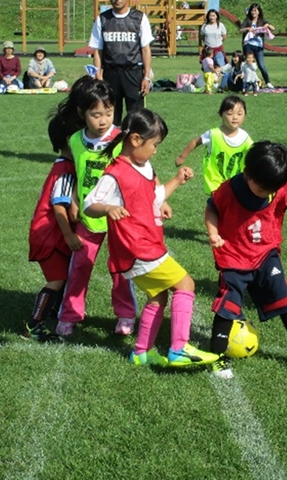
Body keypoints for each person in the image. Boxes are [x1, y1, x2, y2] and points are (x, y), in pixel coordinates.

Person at [84, 108, 219, 367]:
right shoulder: (117, 173)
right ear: (135, 139)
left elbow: (154, 197)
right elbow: (91, 202)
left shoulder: (142, 165)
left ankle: (141, 353)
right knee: (186, 285)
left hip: (145, 245)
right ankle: (179, 348)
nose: (156, 150)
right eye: (155, 144)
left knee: (158, 297)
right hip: (139, 248)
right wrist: (109, 208)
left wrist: (177, 180)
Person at [205, 141, 287, 379]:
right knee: (227, 307)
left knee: (286, 300)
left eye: (270, 190)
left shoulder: (279, 189)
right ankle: (218, 358)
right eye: (262, 188)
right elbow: (211, 208)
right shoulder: (229, 189)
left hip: (266, 254)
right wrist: (213, 233)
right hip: (234, 257)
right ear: (247, 173)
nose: (266, 193)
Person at [56, 77, 138, 337]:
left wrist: (161, 199)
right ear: (82, 113)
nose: (103, 120)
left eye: (109, 113)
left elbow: (140, 170)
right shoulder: (75, 142)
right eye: (96, 114)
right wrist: (74, 201)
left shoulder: (121, 139)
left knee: (120, 269)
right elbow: (78, 174)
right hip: (88, 219)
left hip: (118, 217)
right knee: (79, 267)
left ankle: (126, 315)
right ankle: (70, 314)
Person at [26, 116, 82, 342]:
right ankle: (34, 324)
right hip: (48, 234)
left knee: (65, 276)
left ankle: (55, 312)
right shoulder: (65, 169)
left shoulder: (67, 165)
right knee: (57, 279)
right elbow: (59, 206)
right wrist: (69, 234)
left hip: (53, 234)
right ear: (71, 141)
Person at [88, 0, 154, 126]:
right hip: (110, 73)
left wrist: (146, 77)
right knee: (110, 116)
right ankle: (112, 145)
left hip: (133, 73)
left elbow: (145, 49)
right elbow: (98, 50)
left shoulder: (139, 18)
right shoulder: (102, 19)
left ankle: (135, 145)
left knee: (136, 118)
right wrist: (98, 74)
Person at [175, 95, 253, 195]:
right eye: (229, 113)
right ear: (221, 114)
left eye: (239, 114)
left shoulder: (245, 137)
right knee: (218, 204)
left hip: (236, 180)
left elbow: (255, 152)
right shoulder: (213, 134)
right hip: (214, 180)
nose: (235, 117)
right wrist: (182, 156)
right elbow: (195, 142)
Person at [240, 3, 275, 89]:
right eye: (252, 10)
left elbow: (273, 28)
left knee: (261, 65)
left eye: (255, 10)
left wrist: (267, 25)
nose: (253, 12)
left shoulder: (262, 20)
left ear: (259, 12)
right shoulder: (247, 20)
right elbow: (240, 30)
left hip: (259, 46)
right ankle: (248, 83)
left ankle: (268, 82)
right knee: (249, 64)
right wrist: (248, 29)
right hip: (248, 45)